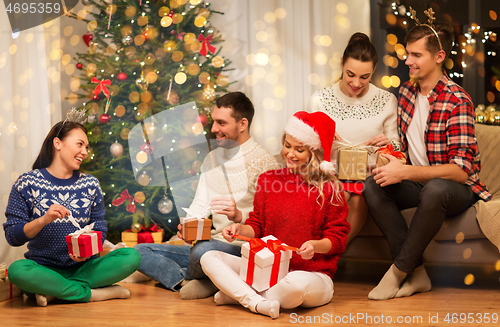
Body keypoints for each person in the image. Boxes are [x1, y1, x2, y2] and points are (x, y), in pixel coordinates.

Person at [363, 10, 491, 301]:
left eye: (416, 55)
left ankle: (396, 272)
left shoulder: (457, 100)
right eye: (408, 53)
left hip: (456, 189)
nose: (408, 61)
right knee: (373, 185)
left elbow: (460, 171)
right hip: (420, 181)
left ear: (438, 57)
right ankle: (418, 273)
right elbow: (410, 151)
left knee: (434, 190)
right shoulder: (407, 92)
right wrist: (391, 146)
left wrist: (405, 173)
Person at [200, 111, 350, 319]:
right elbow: (257, 226)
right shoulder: (268, 180)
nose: (290, 153)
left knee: (295, 285)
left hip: (312, 275)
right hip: (266, 271)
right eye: (287, 145)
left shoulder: (330, 189)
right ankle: (255, 302)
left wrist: (315, 246)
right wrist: (239, 229)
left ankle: (237, 295)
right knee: (209, 256)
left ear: (314, 153)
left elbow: (338, 239)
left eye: (299, 149)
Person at [135, 92, 279, 299]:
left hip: (243, 249)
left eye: (221, 123)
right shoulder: (212, 159)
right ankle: (202, 281)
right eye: (213, 122)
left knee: (201, 252)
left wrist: (239, 216)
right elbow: (201, 203)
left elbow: (270, 224)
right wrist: (189, 225)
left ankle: (202, 279)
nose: (213, 129)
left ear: (242, 124)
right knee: (139, 252)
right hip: (211, 244)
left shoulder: (265, 163)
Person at [3, 110, 141, 306]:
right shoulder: (27, 183)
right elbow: (12, 236)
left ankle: (54, 291)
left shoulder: (90, 184)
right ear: (58, 143)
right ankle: (92, 294)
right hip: (43, 269)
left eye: (86, 146)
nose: (84, 152)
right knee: (18, 270)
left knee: (131, 256)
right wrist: (43, 219)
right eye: (79, 144)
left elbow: (99, 229)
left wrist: (87, 252)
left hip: (84, 268)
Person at [309, 32, 401, 244]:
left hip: (368, 181)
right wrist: (323, 138)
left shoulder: (387, 100)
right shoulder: (320, 100)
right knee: (337, 192)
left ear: (374, 70)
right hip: (329, 177)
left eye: (364, 77)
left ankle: (330, 254)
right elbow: (306, 147)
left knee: (359, 199)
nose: (356, 83)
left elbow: (397, 146)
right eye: (350, 74)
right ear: (341, 64)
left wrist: (388, 143)